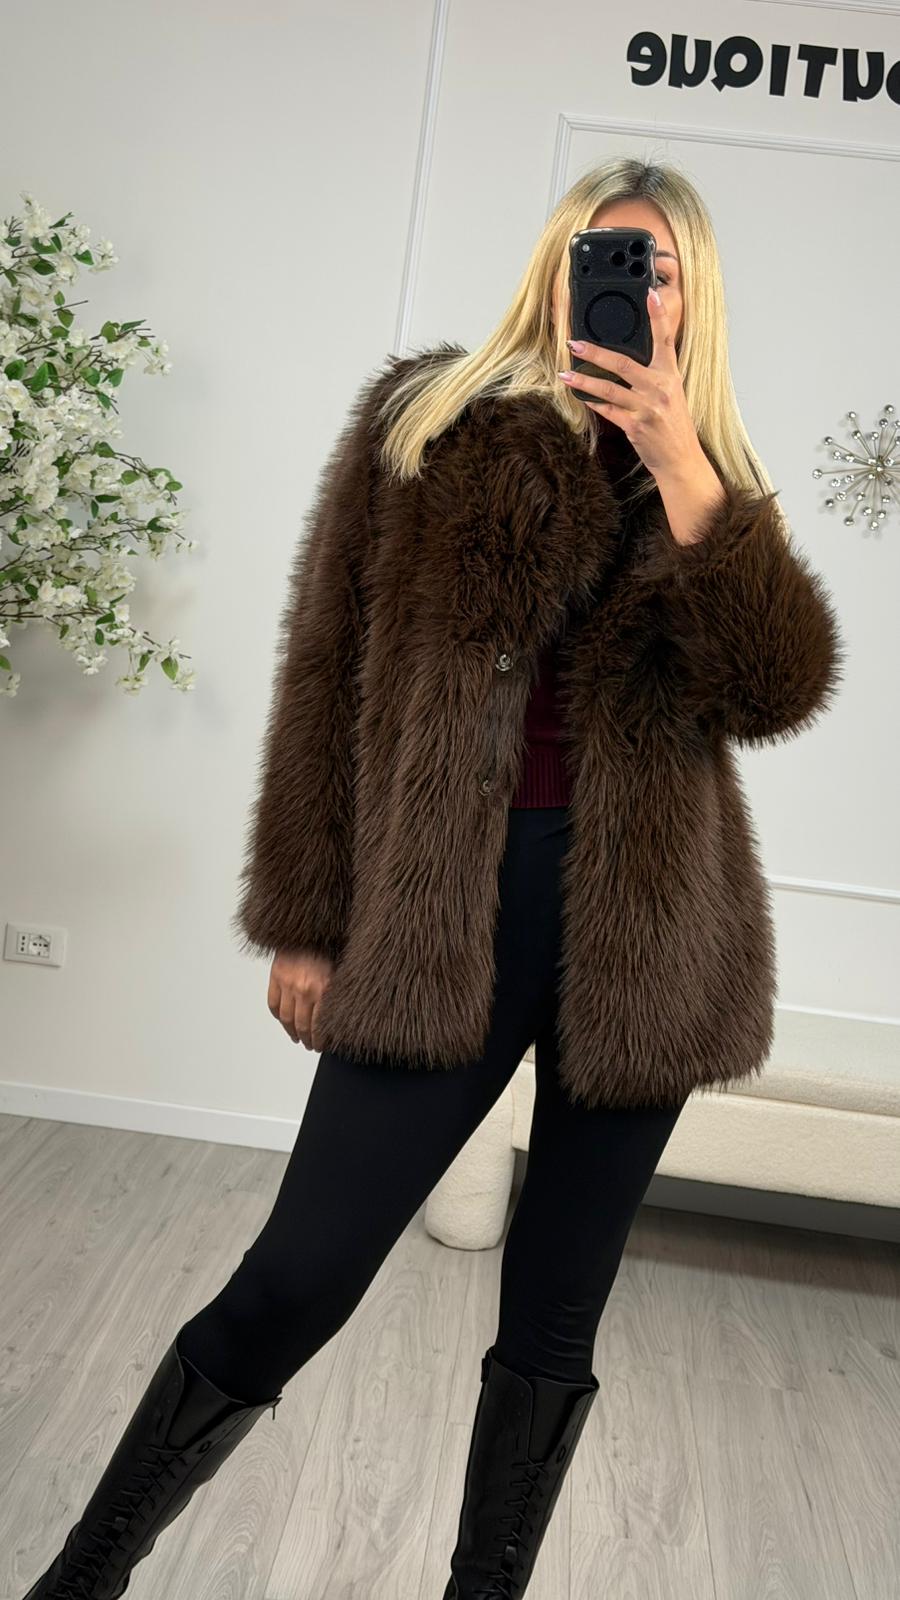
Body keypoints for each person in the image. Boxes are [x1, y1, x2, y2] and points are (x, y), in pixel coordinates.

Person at [22, 159, 844, 1600]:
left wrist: (682, 469)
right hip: (446, 913)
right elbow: (324, 677)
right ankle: (81, 1579)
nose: (634, 289)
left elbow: (776, 691)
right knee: (298, 1276)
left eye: (663, 271)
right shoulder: (430, 423)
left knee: (555, 1324)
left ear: (694, 300)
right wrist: (304, 920)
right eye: (609, 258)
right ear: (556, 265)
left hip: (649, 932)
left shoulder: (713, 486)